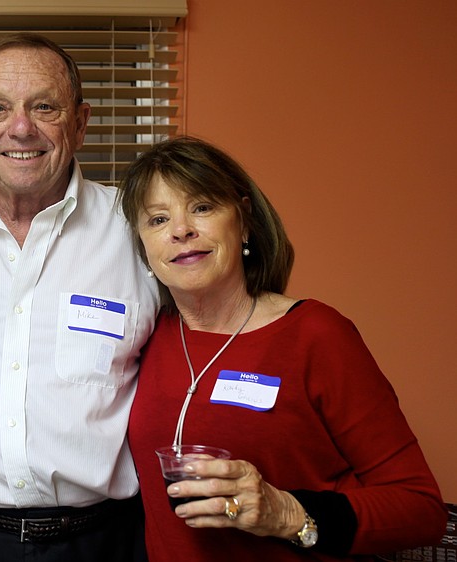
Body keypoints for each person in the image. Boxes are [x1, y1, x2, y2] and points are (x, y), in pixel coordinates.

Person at [118, 136, 447, 561]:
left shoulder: (316, 334)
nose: (181, 230)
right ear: (144, 245)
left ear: (245, 220)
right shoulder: (147, 334)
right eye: (158, 219)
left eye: (202, 207)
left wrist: (286, 512)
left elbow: (421, 509)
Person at [0, 33, 160, 561]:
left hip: (103, 542)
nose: (21, 127)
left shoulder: (140, 230)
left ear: (81, 123)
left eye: (44, 106)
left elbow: (211, 342)